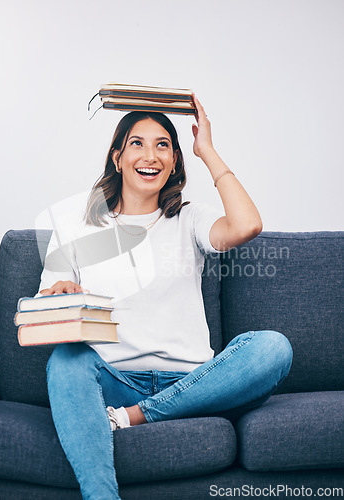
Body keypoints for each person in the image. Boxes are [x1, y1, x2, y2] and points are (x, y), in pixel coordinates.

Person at [37, 94, 293, 499]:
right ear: (117, 157)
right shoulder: (76, 227)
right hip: (114, 381)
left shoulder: (189, 217)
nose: (150, 154)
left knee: (272, 349)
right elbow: (48, 305)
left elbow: (247, 225)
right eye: (137, 143)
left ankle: (137, 417)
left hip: (194, 380)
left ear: (174, 161)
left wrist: (207, 150)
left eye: (163, 145)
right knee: (66, 361)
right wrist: (61, 294)